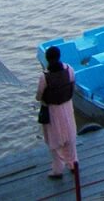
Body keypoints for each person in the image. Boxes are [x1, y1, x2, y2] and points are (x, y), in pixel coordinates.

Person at [36, 46, 77, 179]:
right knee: (70, 137)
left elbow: (39, 96)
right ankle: (73, 164)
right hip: (67, 107)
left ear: (47, 59)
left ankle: (58, 170)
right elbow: (72, 85)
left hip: (53, 110)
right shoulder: (69, 69)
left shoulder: (45, 77)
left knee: (54, 140)